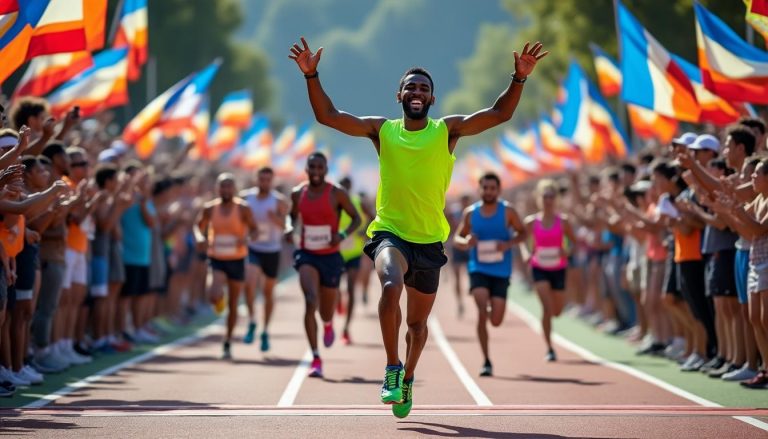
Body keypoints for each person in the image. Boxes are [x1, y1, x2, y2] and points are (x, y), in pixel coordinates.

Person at [290, 36, 547, 417]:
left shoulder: (447, 131)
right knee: (390, 285)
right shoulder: (382, 131)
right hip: (390, 232)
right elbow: (328, 115)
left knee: (416, 326)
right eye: (410, 87)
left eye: (424, 88)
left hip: (428, 239)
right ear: (399, 95)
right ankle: (393, 368)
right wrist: (311, 76)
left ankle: (408, 376)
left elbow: (498, 114)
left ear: (432, 99)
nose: (417, 92)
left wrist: (519, 78)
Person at [288, 153, 360, 377]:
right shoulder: (297, 193)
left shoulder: (337, 193)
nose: (316, 171)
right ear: (306, 169)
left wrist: (342, 235)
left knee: (326, 311)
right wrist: (288, 228)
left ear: (326, 170)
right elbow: (291, 216)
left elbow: (356, 218)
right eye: (312, 167)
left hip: (330, 256)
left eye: (320, 167)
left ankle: (328, 324)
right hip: (307, 254)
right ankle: (315, 357)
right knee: (310, 300)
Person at [453, 172, 526, 376]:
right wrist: (466, 242)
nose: (488, 192)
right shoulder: (471, 213)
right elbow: (457, 238)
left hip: (501, 271)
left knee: (496, 320)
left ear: (498, 190)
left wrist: (508, 244)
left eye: (492, 188)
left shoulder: (508, 211)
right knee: (481, 310)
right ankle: (486, 360)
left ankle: (490, 311)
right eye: (485, 188)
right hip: (478, 268)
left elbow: (523, 233)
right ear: (480, 189)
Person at [195, 173, 259, 360]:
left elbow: (254, 230)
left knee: (233, 305)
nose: (226, 190)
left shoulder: (243, 208)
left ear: (235, 189)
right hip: (217, 257)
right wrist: (200, 238)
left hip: (237, 259)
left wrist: (246, 239)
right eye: (223, 186)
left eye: (229, 186)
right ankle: (218, 297)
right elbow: (198, 226)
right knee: (213, 294)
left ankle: (228, 340)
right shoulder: (210, 208)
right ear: (217, 188)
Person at [523, 179, 577, 362]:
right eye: (545, 196)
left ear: (556, 199)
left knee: (557, 311)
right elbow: (522, 240)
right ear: (539, 198)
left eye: (551, 196)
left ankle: (550, 340)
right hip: (539, 267)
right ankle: (549, 348)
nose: (548, 200)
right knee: (546, 309)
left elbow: (574, 243)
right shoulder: (532, 222)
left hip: (558, 268)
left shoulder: (563, 221)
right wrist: (526, 253)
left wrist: (567, 250)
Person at [240, 167, 290, 352]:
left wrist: (275, 218)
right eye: (262, 179)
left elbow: (287, 226)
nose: (265, 183)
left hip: (272, 250)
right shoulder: (246, 198)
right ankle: (252, 320)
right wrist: (247, 231)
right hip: (253, 248)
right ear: (256, 179)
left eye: (268, 180)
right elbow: (239, 221)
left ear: (272, 181)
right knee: (249, 283)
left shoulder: (279, 201)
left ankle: (265, 330)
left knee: (268, 292)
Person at [337, 176, 375, 345]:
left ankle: (346, 329)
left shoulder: (358, 203)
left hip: (354, 253)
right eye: (342, 187)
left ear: (351, 187)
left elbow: (373, 219)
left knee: (351, 288)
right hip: (335, 252)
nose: (344, 190)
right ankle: (338, 299)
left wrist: (364, 231)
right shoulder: (333, 201)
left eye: (347, 187)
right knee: (335, 288)